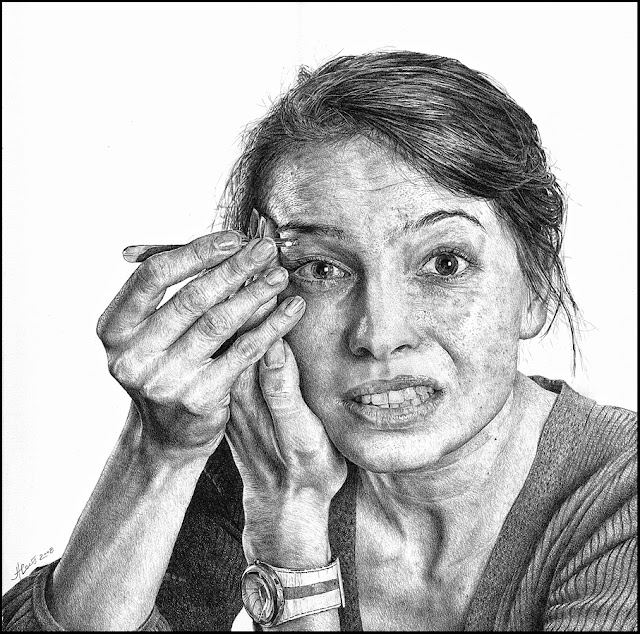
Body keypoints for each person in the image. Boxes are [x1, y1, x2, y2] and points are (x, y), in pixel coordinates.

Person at [2, 51, 636, 632]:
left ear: (537, 289)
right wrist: (160, 451)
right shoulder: (267, 459)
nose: (379, 335)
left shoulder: (623, 495)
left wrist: (291, 543)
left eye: (445, 263)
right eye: (322, 268)